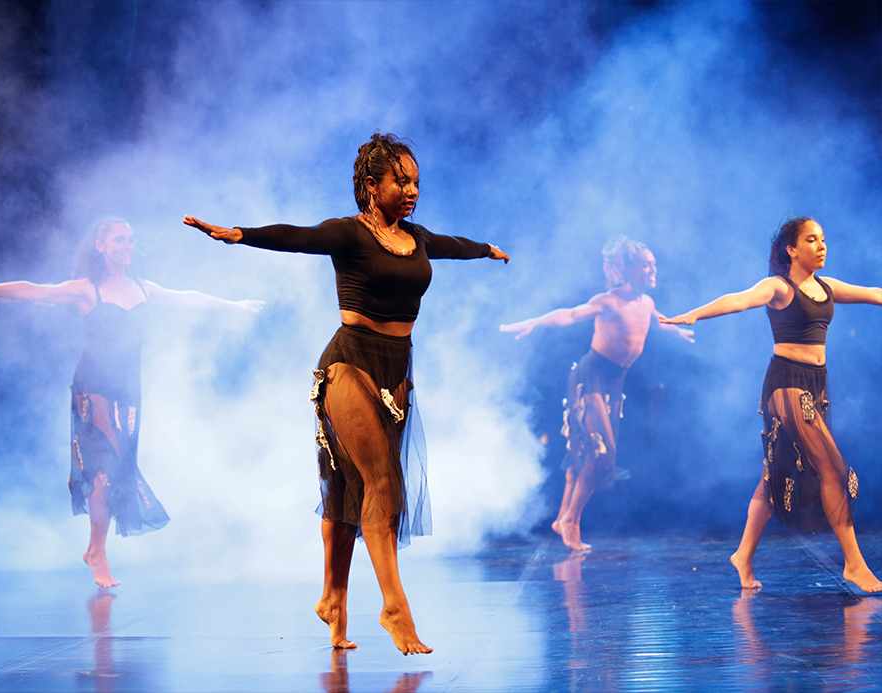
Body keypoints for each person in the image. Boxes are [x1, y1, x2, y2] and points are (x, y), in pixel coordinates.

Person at [184, 133, 509, 655]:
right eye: (400, 181)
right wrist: (240, 234)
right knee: (381, 479)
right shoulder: (350, 234)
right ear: (371, 185)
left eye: (416, 182)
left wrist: (485, 250)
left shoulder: (416, 237)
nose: (411, 190)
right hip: (348, 364)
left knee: (347, 485)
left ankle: (333, 600)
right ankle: (394, 607)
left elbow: (451, 245)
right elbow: (297, 237)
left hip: (395, 372)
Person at [0, 218, 262, 587]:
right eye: (119, 240)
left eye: (130, 240)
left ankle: (95, 549)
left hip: (128, 387)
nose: (127, 246)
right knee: (105, 465)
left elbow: (188, 297)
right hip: (93, 383)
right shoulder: (86, 289)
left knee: (117, 469)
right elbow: (35, 291)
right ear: (101, 246)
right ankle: (97, 552)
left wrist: (233, 305)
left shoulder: (143, 288)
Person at [661, 217, 881, 593]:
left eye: (823, 239)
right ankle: (854, 564)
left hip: (817, 385)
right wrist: (696, 313)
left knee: (774, 473)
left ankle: (743, 555)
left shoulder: (827, 287)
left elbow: (875, 292)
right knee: (832, 468)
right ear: (791, 249)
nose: (821, 246)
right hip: (786, 384)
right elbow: (739, 299)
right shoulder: (779, 287)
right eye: (811, 240)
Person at [500, 237, 694, 551]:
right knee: (603, 457)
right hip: (590, 378)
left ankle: (561, 518)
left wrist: (678, 329)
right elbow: (570, 314)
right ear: (627, 269)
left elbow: (659, 322)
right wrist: (535, 322)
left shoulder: (646, 303)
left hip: (614, 384)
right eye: (645, 265)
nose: (652, 270)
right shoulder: (609, 302)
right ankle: (571, 521)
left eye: (654, 265)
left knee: (585, 452)